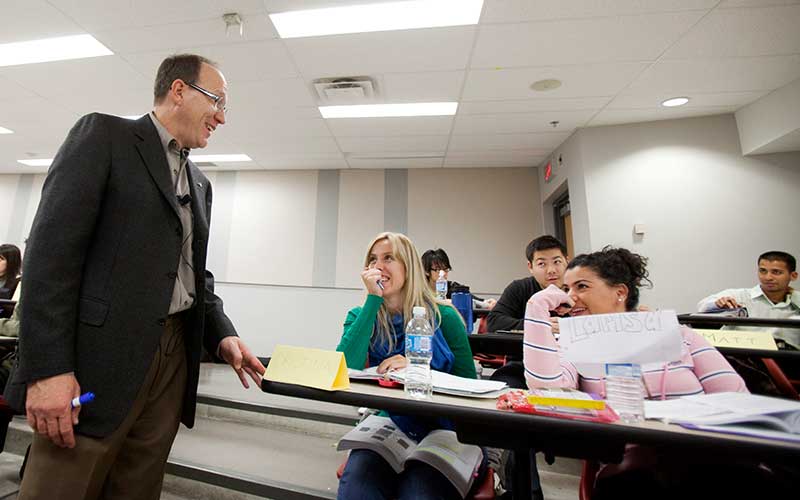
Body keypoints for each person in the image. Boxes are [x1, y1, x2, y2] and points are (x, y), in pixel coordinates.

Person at [5, 54, 265, 500]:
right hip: (97, 362)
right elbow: (50, 257)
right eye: (217, 101)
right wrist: (47, 370)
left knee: (137, 488)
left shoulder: (199, 182)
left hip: (172, 361)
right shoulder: (105, 137)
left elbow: (191, 274)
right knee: (63, 483)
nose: (222, 117)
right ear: (179, 90)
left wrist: (223, 333)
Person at [521, 247, 798, 499]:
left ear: (620, 292)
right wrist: (536, 308)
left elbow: (735, 397)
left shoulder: (678, 335)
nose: (570, 298)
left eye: (581, 286)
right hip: (634, 463)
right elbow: (547, 390)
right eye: (566, 289)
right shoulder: (573, 345)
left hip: (707, 451)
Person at [336, 232, 477, 500]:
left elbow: (470, 387)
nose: (378, 266)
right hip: (389, 422)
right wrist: (373, 300)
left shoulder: (444, 316)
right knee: (358, 490)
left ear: (408, 266)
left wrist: (419, 369)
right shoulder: (360, 315)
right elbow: (343, 367)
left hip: (443, 427)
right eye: (372, 260)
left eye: (389, 258)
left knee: (418, 493)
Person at [697, 251, 799, 349]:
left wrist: (794, 295)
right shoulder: (739, 296)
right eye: (763, 271)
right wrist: (717, 304)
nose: (768, 277)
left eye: (776, 272)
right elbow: (702, 306)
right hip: (741, 356)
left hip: (786, 356)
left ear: (793, 276)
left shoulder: (796, 301)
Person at [486, 235, 568, 333]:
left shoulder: (578, 289)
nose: (551, 270)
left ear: (567, 261)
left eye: (557, 262)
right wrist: (537, 326)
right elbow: (494, 322)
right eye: (542, 264)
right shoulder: (519, 288)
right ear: (530, 267)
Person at [421, 248, 496, 308]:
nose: (443, 273)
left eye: (446, 269)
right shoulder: (420, 290)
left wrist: (486, 302)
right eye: (438, 269)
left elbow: (473, 300)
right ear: (426, 271)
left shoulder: (453, 287)